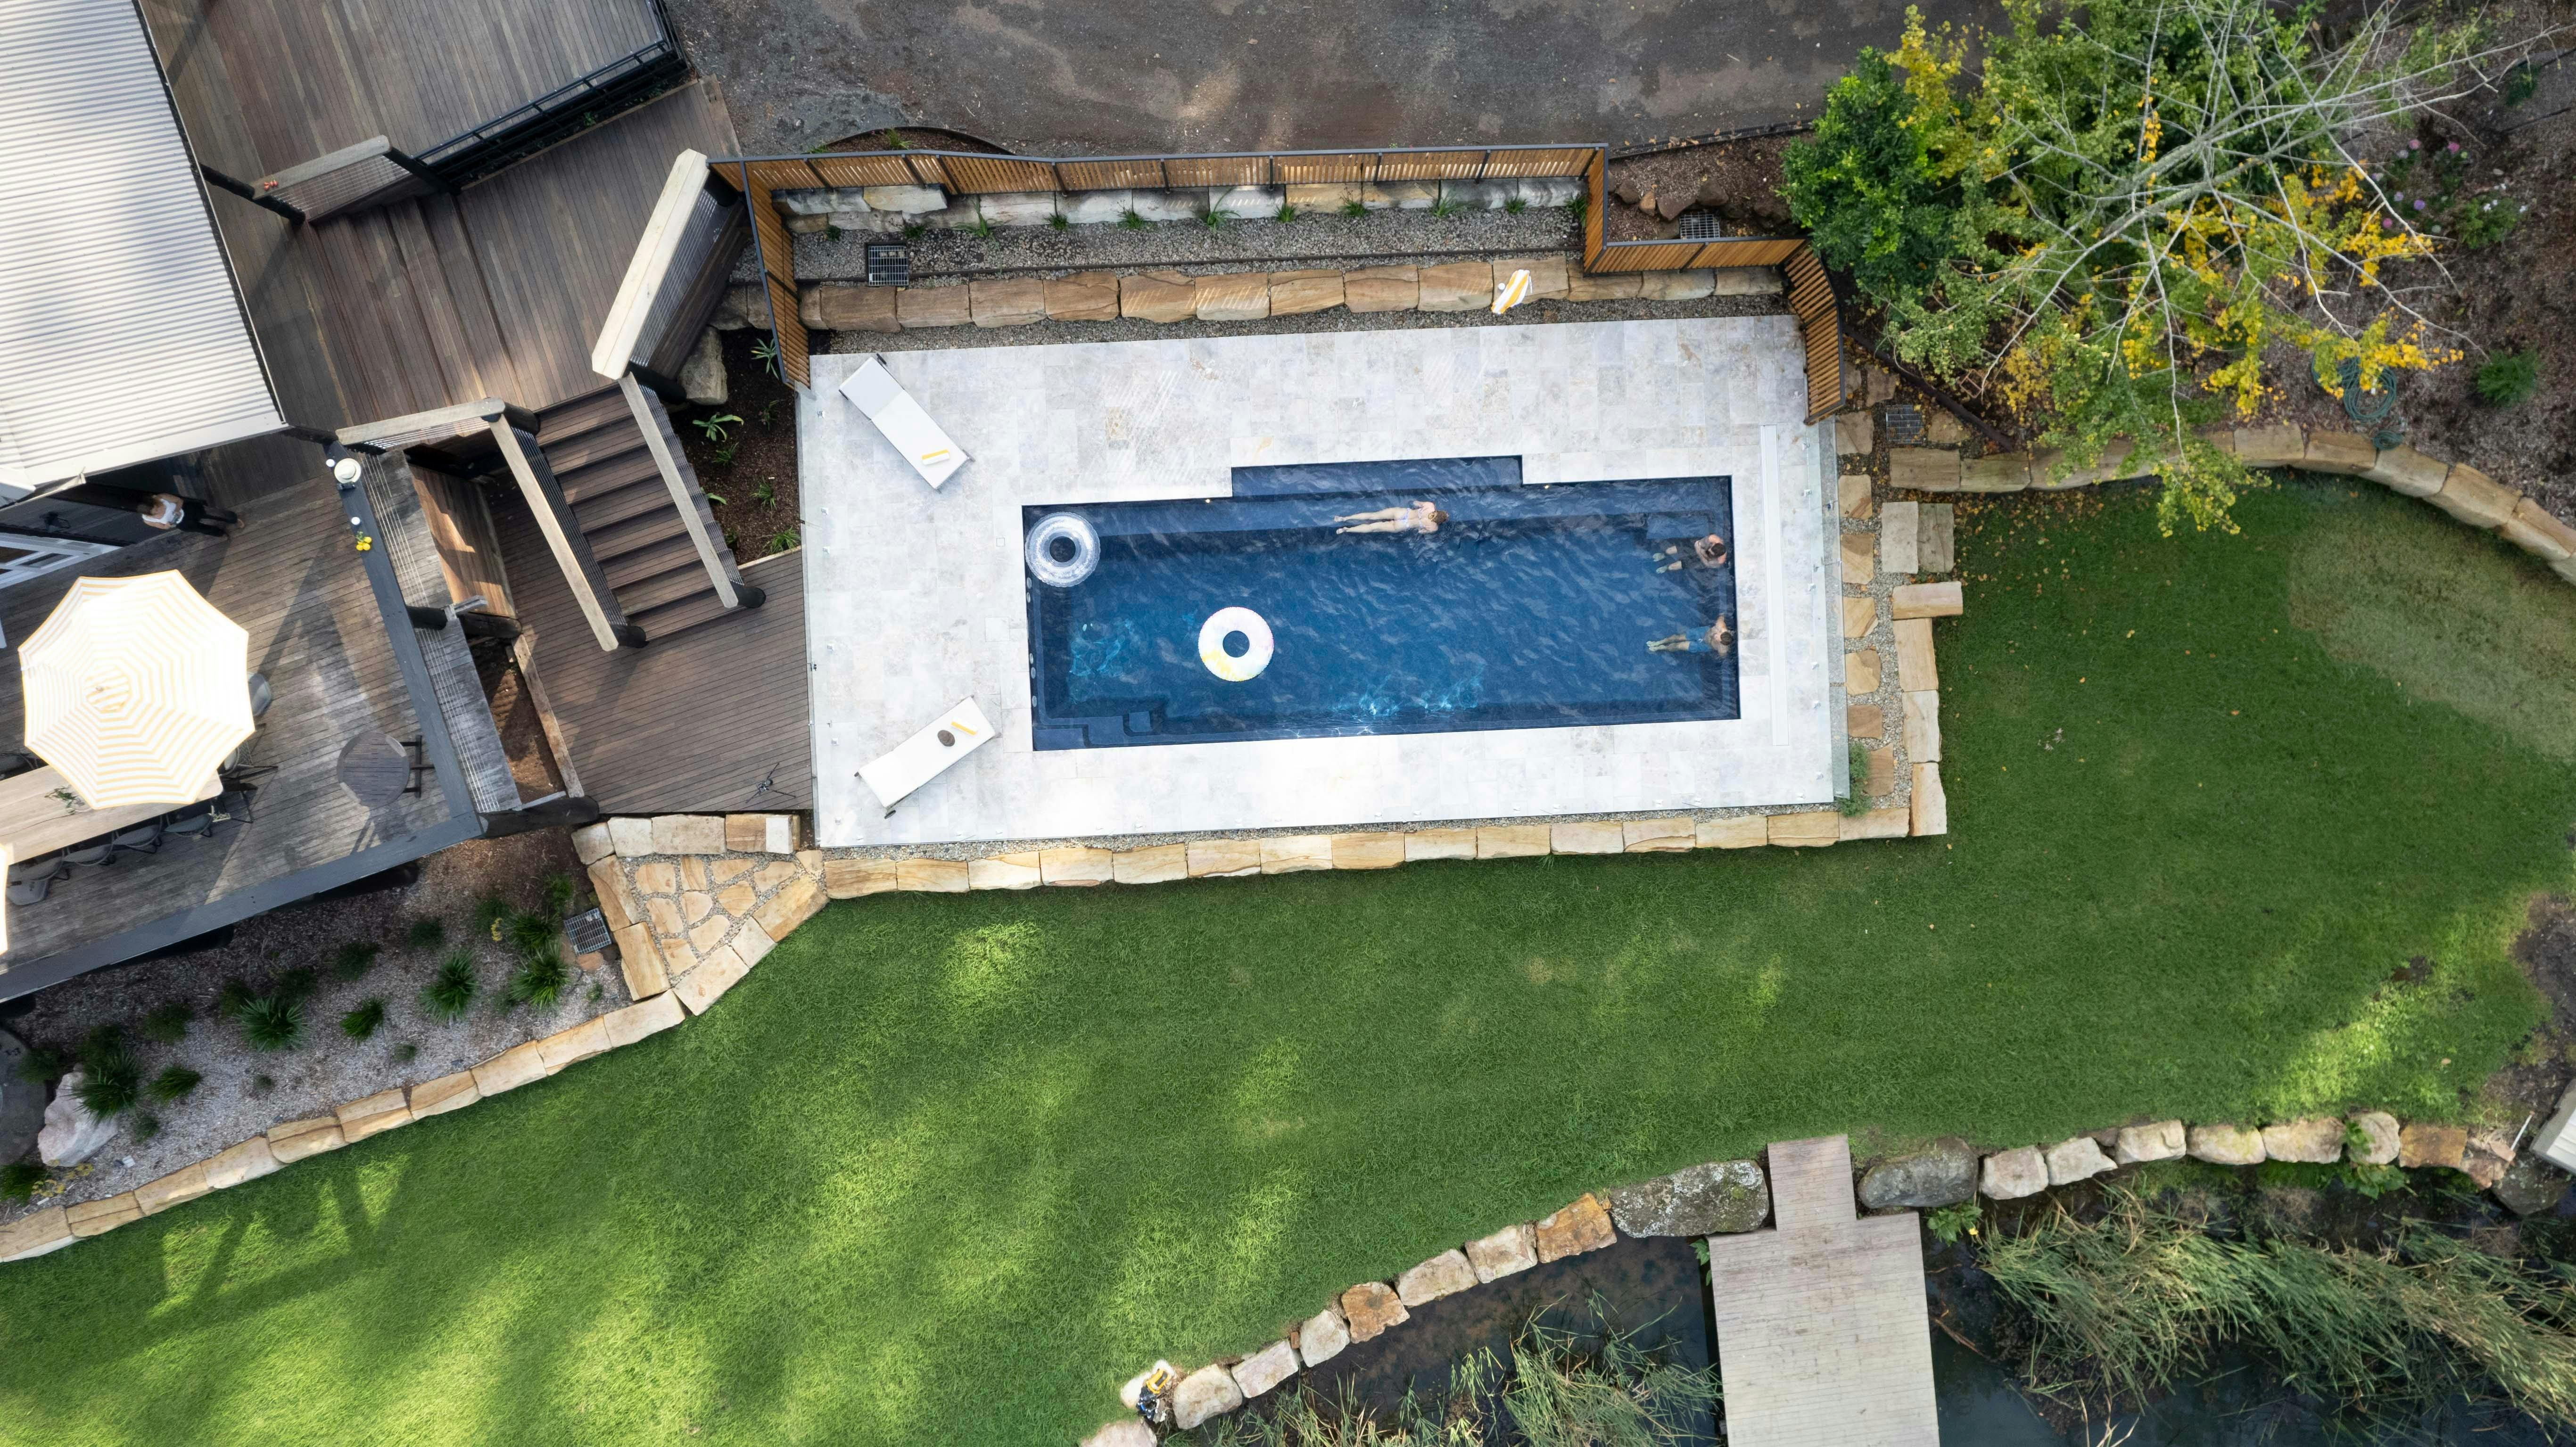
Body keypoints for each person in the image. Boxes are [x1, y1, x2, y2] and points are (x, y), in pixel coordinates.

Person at [137, 492, 239, 538]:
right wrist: (168, 525)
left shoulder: (162, 497)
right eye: (155, 514)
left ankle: (234, 519)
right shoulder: (148, 520)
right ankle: (220, 534)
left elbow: (179, 501)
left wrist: (177, 510)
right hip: (182, 523)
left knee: (213, 513)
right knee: (202, 529)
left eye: (157, 508)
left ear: (154, 502)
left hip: (187, 509)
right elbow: (163, 527)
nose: (158, 512)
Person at [1333, 501, 1447, 535]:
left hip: (1402, 513)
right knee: (1372, 528)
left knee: (1373, 515)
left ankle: (1345, 518)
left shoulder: (1430, 506)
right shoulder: (1434, 528)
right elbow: (1420, 531)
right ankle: (1347, 530)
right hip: (1403, 525)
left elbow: (1415, 503)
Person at [1646, 617, 1734, 656]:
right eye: (1718, 635)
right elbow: (1722, 616)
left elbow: (1722, 656)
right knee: (1678, 638)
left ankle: (1663, 648)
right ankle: (1662, 641)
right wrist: (1722, 615)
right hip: (1703, 633)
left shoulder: (1723, 649)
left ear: (1721, 643)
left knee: (1679, 646)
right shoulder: (1720, 626)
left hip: (1704, 646)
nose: (1716, 636)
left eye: (1717, 639)